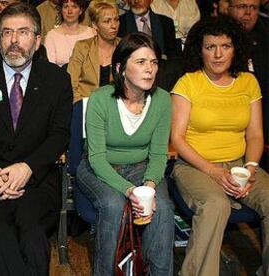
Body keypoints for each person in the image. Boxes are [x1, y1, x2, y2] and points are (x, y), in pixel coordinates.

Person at [0, 3, 72, 275]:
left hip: (37, 180)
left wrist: (28, 167)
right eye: (7, 33)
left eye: (22, 32)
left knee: (33, 235)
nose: (14, 41)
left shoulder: (56, 80)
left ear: (37, 39)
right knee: (2, 235)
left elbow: (59, 135)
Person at [171, 16, 269, 276]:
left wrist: (250, 167)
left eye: (225, 46)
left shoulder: (249, 82)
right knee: (216, 204)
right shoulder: (188, 83)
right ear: (198, 50)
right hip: (195, 166)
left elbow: (256, 135)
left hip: (239, 165)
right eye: (210, 47)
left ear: (235, 48)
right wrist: (214, 171)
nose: (217, 54)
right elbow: (177, 140)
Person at [76, 32, 174, 276]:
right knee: (113, 205)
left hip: (142, 166)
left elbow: (159, 153)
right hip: (98, 167)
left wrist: (149, 186)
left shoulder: (162, 100)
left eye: (153, 62)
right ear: (120, 68)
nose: (149, 69)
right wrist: (130, 191)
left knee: (162, 207)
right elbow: (96, 158)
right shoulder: (100, 99)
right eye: (140, 62)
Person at [227, 0, 269, 143]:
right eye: (242, 7)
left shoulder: (265, 34)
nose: (248, 13)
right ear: (229, 8)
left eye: (253, 8)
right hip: (229, 109)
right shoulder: (216, 35)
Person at [67, 1, 120, 102]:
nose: (114, 25)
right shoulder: (82, 47)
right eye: (107, 21)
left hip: (117, 107)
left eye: (116, 20)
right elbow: (70, 84)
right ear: (95, 25)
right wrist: (84, 105)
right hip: (86, 103)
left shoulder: (124, 47)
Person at [44, 0, 95, 67]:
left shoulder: (91, 33)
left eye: (74, 7)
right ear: (61, 10)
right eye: (66, 7)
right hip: (60, 76)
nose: (70, 11)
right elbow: (50, 68)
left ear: (81, 11)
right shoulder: (51, 36)